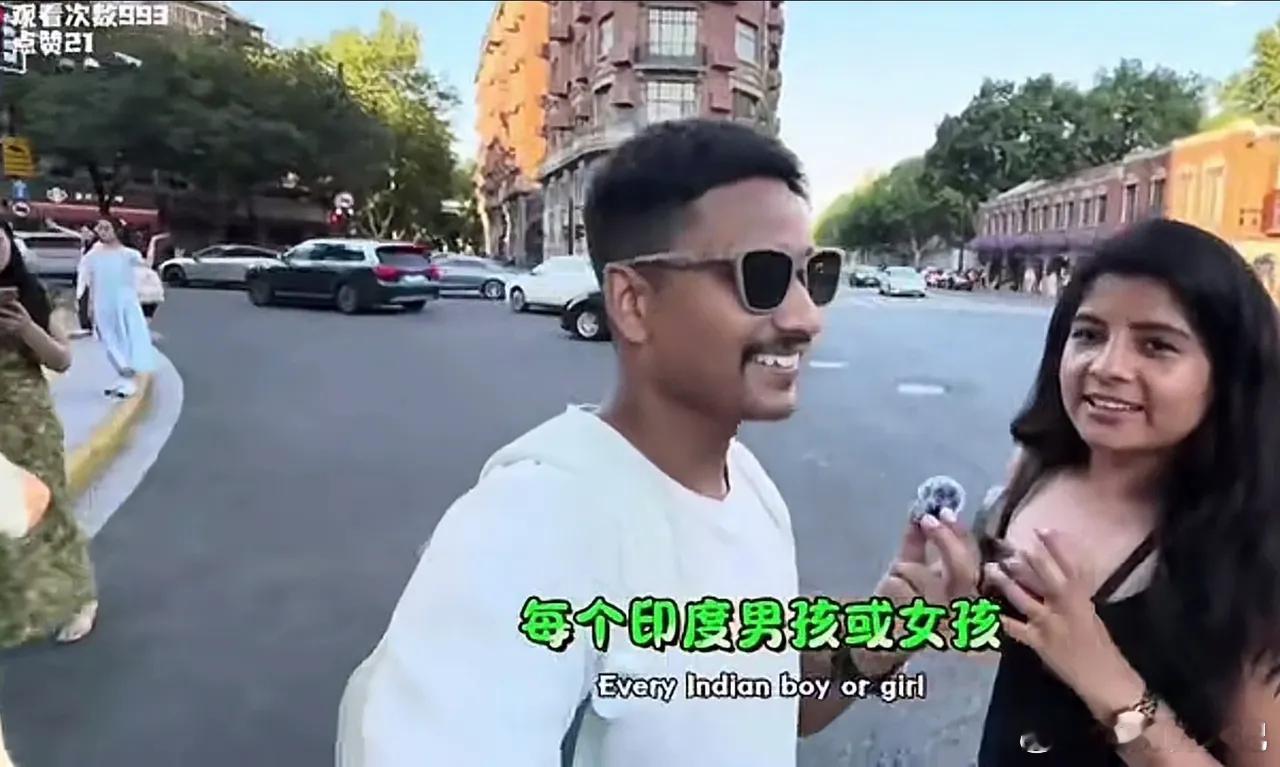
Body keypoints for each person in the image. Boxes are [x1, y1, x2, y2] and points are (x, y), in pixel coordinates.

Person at [335, 119, 979, 766]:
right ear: (633, 303)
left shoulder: (747, 484)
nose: (806, 318)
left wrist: (889, 628)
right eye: (761, 276)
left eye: (815, 276)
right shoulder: (532, 526)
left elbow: (765, 703)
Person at [973, 218, 1280, 764]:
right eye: (1089, 334)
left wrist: (1108, 682)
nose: (1107, 367)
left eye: (1156, 345)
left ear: (1228, 373)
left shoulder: (1250, 550)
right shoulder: (1033, 471)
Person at [0, 219, 98, 647]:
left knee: (50, 509)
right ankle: (18, 603)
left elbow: (61, 360)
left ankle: (81, 599)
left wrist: (25, 328)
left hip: (27, 422)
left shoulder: (36, 296)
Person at [76, 218, 155, 398]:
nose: (102, 232)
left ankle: (128, 381)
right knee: (109, 341)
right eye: (100, 228)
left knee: (125, 339)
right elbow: (87, 278)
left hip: (124, 302)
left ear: (116, 231)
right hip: (103, 302)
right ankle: (123, 376)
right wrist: (88, 303)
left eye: (107, 228)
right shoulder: (93, 255)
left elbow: (147, 265)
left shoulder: (128, 254)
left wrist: (153, 244)